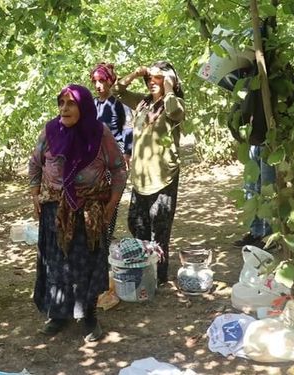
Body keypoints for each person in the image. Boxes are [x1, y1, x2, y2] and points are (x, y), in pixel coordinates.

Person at [29, 84, 126, 342]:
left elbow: (118, 168)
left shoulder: (99, 133)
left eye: (70, 103)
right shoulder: (50, 132)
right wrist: (34, 194)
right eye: (61, 102)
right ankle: (58, 315)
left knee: (86, 264)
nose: (64, 108)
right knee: (58, 264)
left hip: (89, 211)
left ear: (83, 107)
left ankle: (88, 316)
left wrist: (111, 203)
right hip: (55, 210)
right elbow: (35, 163)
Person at [113, 61, 185, 284]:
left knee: (159, 228)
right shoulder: (142, 103)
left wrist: (170, 86)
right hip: (141, 177)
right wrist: (137, 73)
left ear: (168, 81)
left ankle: (159, 276)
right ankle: (145, 267)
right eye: (149, 79)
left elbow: (175, 112)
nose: (152, 82)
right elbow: (117, 90)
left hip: (163, 176)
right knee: (136, 223)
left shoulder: (173, 103)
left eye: (158, 79)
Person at [90, 63, 129, 246]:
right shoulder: (92, 104)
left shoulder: (119, 104)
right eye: (95, 81)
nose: (98, 86)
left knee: (112, 197)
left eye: (102, 81)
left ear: (110, 81)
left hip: (114, 156)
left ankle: (107, 233)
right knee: (96, 195)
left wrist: (127, 155)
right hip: (95, 157)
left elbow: (127, 131)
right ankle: (96, 234)